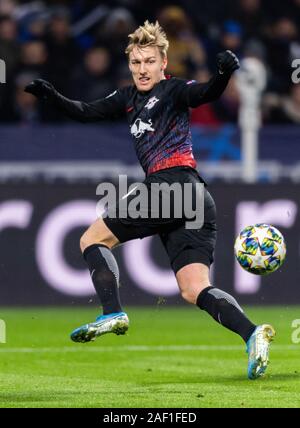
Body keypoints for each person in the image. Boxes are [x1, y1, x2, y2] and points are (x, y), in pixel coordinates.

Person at [25, 20, 275, 380]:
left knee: (91, 239)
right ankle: (252, 334)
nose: (142, 69)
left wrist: (222, 75)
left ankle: (113, 311)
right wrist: (53, 97)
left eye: (149, 62)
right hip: (194, 199)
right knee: (194, 289)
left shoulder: (173, 90)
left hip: (172, 185)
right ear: (130, 65)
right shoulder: (127, 98)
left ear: (163, 64)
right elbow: (86, 111)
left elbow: (204, 94)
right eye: (136, 62)